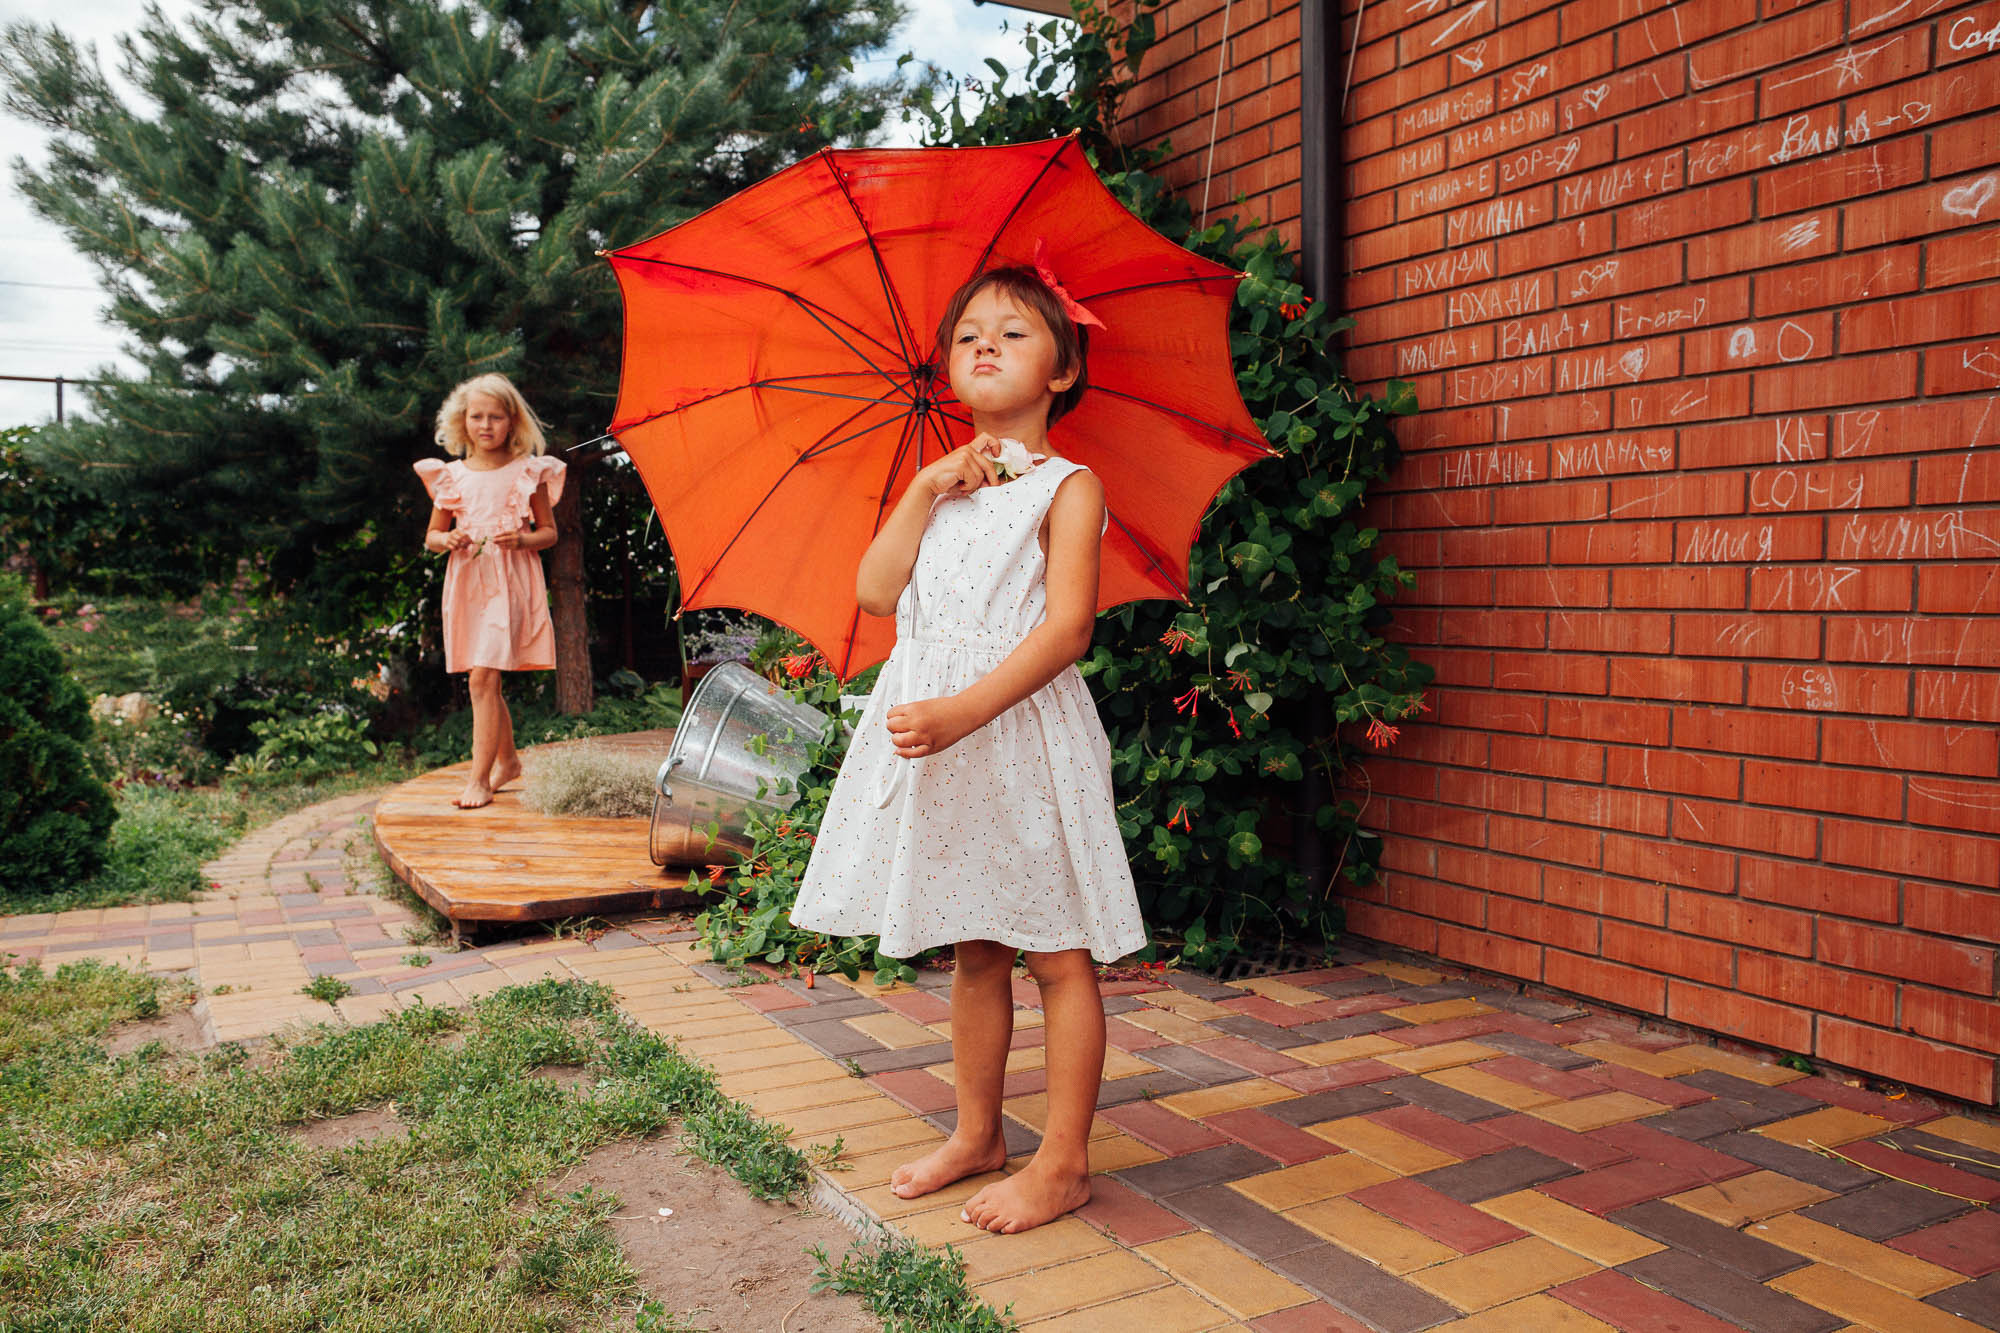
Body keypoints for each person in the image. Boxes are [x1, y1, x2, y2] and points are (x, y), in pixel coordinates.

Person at [791, 262, 1145, 1235]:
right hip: (945, 742)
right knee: (976, 947)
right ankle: (977, 1132)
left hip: (1017, 731)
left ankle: (1062, 1161)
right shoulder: (940, 487)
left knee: (1056, 952)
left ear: (1061, 372)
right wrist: (920, 490)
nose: (983, 344)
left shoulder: (1067, 487)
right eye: (966, 335)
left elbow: (1066, 629)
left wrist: (960, 711)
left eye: (1013, 332)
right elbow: (872, 592)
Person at [413, 373, 566, 810]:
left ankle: (478, 779)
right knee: (484, 680)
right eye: (477, 416)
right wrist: (449, 541)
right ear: (463, 422)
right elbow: (433, 537)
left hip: (510, 579)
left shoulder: (528, 472)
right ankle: (510, 762)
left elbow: (549, 533)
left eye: (496, 417)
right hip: (469, 580)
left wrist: (523, 540)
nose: (486, 425)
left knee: (483, 676)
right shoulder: (450, 477)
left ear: (511, 421)